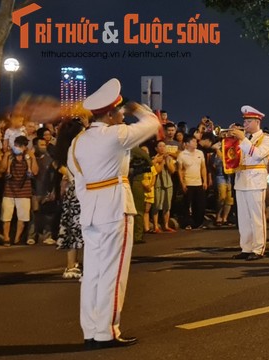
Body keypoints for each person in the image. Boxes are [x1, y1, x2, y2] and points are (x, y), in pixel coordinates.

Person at [72, 78, 159, 348]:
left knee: (93, 275)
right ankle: (107, 332)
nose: (122, 116)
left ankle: (92, 331)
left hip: (91, 211)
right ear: (110, 114)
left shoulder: (78, 142)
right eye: (120, 112)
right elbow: (153, 124)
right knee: (113, 273)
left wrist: (91, 203)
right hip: (114, 208)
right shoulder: (115, 135)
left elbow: (78, 181)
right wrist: (139, 109)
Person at [230, 106, 269, 261]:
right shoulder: (243, 138)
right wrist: (230, 139)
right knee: (243, 217)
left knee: (256, 217)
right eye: (244, 121)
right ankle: (246, 247)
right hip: (241, 179)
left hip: (256, 180)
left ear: (257, 121)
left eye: (249, 121)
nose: (246, 124)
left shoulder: (267, 138)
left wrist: (242, 139)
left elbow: (258, 155)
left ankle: (258, 248)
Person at [55, 116, 88, 279]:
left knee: (71, 229)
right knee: (87, 229)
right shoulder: (79, 148)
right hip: (83, 191)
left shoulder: (63, 149)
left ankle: (71, 265)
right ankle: (86, 265)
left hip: (72, 191)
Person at [0, 135, 38, 245]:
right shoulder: (10, 155)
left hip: (24, 190)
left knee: (23, 216)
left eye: (20, 146)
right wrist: (6, 156)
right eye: (16, 145)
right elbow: (2, 169)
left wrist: (33, 157)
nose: (18, 147)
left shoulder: (28, 156)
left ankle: (16, 239)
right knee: (6, 215)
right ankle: (6, 237)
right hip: (9, 190)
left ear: (25, 147)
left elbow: (35, 172)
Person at [177, 135, 208, 230]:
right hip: (188, 183)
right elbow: (180, 170)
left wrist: (205, 181)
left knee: (199, 204)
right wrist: (182, 183)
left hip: (198, 182)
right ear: (187, 144)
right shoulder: (182, 155)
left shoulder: (200, 153)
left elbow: (203, 167)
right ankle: (187, 223)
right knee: (187, 204)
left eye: (196, 141)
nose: (195, 143)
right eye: (193, 141)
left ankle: (198, 223)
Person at [151, 141, 177, 232]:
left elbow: (173, 170)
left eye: (163, 146)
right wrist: (161, 161)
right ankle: (156, 226)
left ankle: (166, 225)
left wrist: (167, 161)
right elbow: (157, 170)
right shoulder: (154, 158)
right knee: (157, 205)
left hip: (168, 183)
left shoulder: (169, 158)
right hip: (158, 184)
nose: (162, 148)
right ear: (156, 148)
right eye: (160, 146)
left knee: (167, 205)